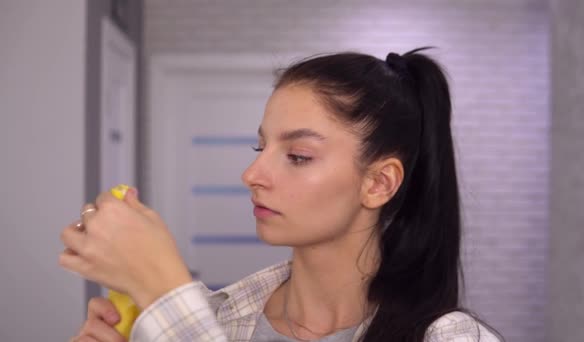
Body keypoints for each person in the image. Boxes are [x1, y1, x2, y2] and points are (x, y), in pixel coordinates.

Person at [60, 48, 503, 341]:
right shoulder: (222, 321)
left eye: (298, 156)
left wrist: (163, 291)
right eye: (260, 146)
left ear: (379, 183)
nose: (252, 173)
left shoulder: (451, 338)